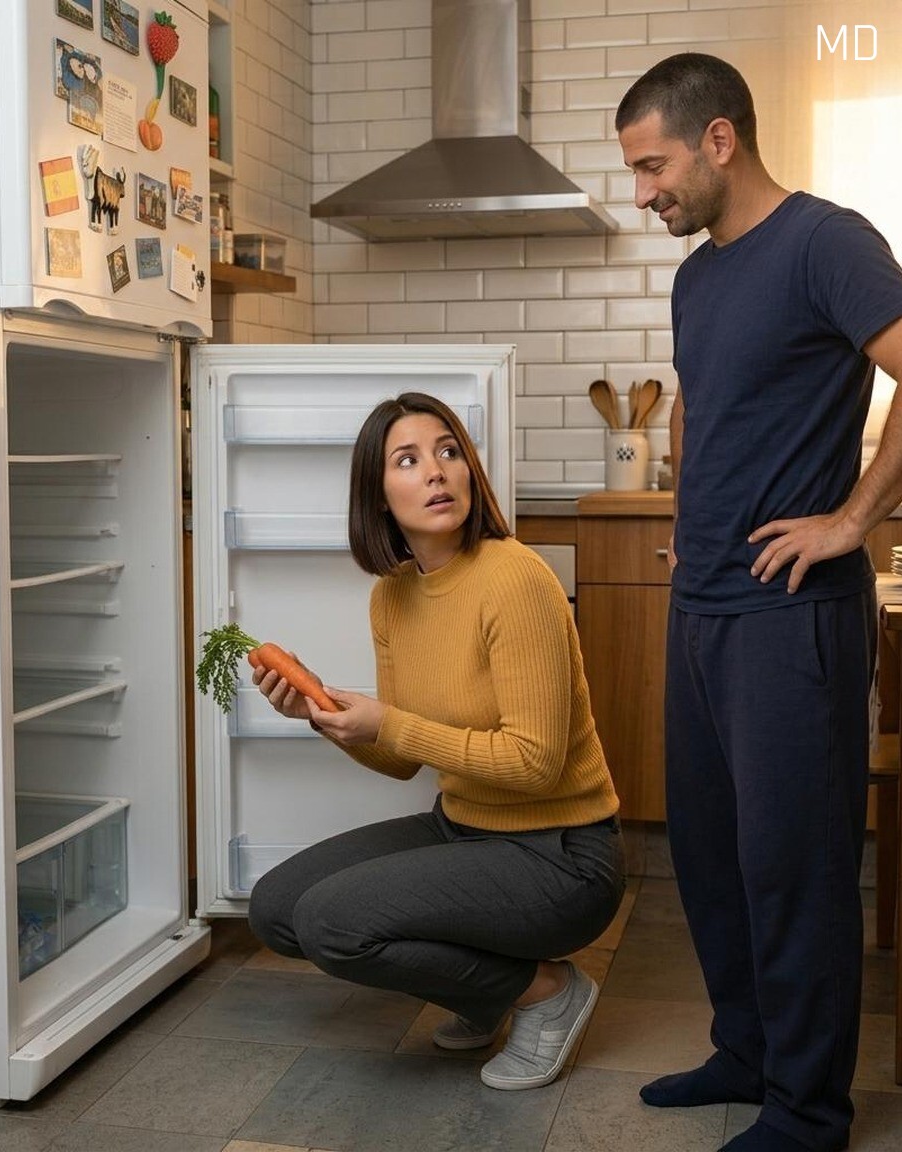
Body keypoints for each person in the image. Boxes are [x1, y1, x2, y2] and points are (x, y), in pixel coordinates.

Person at [615, 52, 902, 1152]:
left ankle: (807, 1109)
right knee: (711, 852)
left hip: (795, 619)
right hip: (707, 610)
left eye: (653, 166)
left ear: (719, 139)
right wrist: (686, 520)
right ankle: (745, 1050)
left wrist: (850, 521)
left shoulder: (826, 243)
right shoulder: (700, 275)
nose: (644, 192)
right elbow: (698, 401)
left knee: (796, 865)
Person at [247, 391, 625, 1091]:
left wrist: (389, 721)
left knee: (333, 922)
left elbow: (536, 764)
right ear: (378, 494)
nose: (436, 472)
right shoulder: (393, 595)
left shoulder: (515, 578)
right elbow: (400, 760)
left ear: (470, 473)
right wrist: (322, 714)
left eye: (448, 452)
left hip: (563, 854)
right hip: (463, 830)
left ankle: (544, 992)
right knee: (276, 909)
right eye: (408, 460)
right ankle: (483, 989)